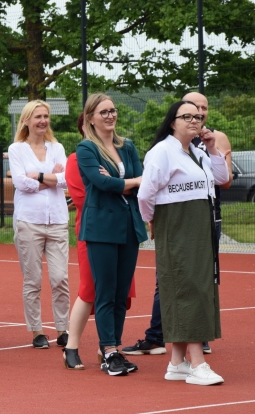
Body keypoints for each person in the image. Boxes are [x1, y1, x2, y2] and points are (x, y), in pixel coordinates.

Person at [122, 92, 232, 357]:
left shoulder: (197, 151)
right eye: (187, 116)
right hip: (177, 227)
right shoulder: (162, 151)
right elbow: (146, 194)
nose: (195, 120)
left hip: (201, 227)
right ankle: (192, 358)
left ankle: (178, 360)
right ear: (173, 122)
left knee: (199, 285)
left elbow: (221, 178)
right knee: (184, 286)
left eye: (198, 116)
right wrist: (153, 220)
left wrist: (212, 148)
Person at [76, 93, 148, 376]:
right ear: (91, 118)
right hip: (101, 229)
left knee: (121, 293)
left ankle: (115, 348)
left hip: (128, 226)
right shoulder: (86, 148)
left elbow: (142, 181)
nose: (110, 116)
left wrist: (122, 182)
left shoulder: (126, 146)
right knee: (105, 292)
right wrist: (128, 182)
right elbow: (101, 183)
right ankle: (108, 352)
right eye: (103, 112)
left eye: (112, 110)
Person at [63, 113, 136, 370]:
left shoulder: (121, 150)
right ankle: (71, 347)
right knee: (90, 290)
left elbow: (132, 184)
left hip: (122, 227)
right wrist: (120, 185)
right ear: (86, 126)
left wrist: (115, 184)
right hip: (95, 230)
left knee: (120, 290)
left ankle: (108, 347)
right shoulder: (77, 158)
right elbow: (85, 197)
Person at [8, 100, 70, 350]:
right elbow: (20, 183)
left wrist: (39, 176)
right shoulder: (16, 149)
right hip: (29, 222)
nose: (43, 121)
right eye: (38, 117)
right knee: (32, 280)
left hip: (57, 221)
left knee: (60, 278)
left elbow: (67, 180)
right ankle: (37, 331)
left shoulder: (57, 147)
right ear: (26, 120)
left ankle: (63, 329)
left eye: (46, 116)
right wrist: (52, 178)